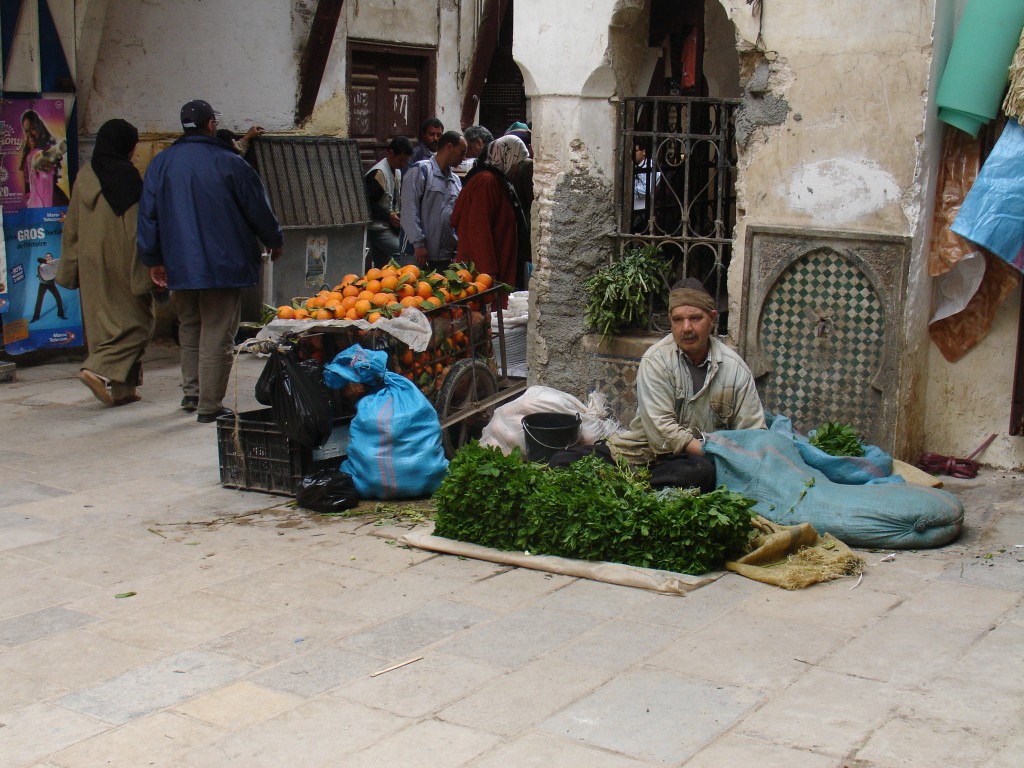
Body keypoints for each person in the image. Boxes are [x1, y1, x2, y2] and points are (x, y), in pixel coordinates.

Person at [137, 99, 283, 423]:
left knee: (189, 326)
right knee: (218, 332)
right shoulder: (229, 162)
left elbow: (148, 217)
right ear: (211, 125)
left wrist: (153, 258)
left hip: (179, 263)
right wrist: (274, 240)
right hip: (223, 263)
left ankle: (191, 393)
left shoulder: (160, 164)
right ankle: (209, 405)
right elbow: (257, 207)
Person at [551, 280, 765, 492]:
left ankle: (635, 491)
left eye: (695, 318)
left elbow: (754, 435)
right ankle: (642, 488)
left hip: (696, 462)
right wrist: (712, 450)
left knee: (701, 471)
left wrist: (726, 456)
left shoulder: (735, 369)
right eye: (678, 320)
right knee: (561, 462)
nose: (686, 328)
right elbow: (662, 433)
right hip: (640, 458)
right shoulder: (657, 360)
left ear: (712, 319)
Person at [57, 118, 154, 407]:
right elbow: (138, 229)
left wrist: (69, 267)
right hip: (121, 259)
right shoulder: (126, 178)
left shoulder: (85, 175)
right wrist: (147, 270)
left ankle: (123, 390)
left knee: (104, 323)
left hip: (90, 261)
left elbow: (71, 225)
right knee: (138, 323)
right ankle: (96, 370)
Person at [450, 135, 530, 292]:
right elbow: (479, 229)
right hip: (487, 270)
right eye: (517, 163)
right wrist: (488, 271)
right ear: (507, 157)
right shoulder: (486, 182)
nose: (517, 169)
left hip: (499, 261)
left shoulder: (498, 180)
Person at [400, 130, 466, 272]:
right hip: (417, 254)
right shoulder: (420, 170)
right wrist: (418, 244)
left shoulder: (456, 181)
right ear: (449, 147)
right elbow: (409, 209)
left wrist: (456, 250)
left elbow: (457, 218)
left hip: (444, 257)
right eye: (461, 152)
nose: (463, 158)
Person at [364, 136, 413, 267]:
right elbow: (366, 205)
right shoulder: (378, 174)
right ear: (390, 153)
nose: (403, 164)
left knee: (381, 262)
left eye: (405, 161)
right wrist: (387, 215)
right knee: (401, 252)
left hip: (387, 226)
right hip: (377, 228)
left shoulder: (397, 171)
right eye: (401, 160)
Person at [20, 110, 69, 208]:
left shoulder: (45, 151)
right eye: (26, 131)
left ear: (40, 127)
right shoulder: (28, 153)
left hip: (50, 200)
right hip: (35, 201)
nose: (30, 134)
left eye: (33, 128)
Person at [632, 141, 661, 233]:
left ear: (643, 152)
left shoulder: (652, 167)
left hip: (644, 211)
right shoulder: (630, 165)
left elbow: (646, 190)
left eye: (636, 151)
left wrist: (630, 187)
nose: (633, 154)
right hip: (631, 210)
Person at [30, 253, 66, 322]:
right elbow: (38, 259)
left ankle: (60, 314)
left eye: (49, 256)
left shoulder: (55, 264)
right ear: (45, 258)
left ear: (52, 257)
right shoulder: (43, 264)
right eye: (47, 257)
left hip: (51, 284)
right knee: (39, 301)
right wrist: (47, 262)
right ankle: (35, 317)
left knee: (58, 298)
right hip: (42, 285)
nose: (48, 257)